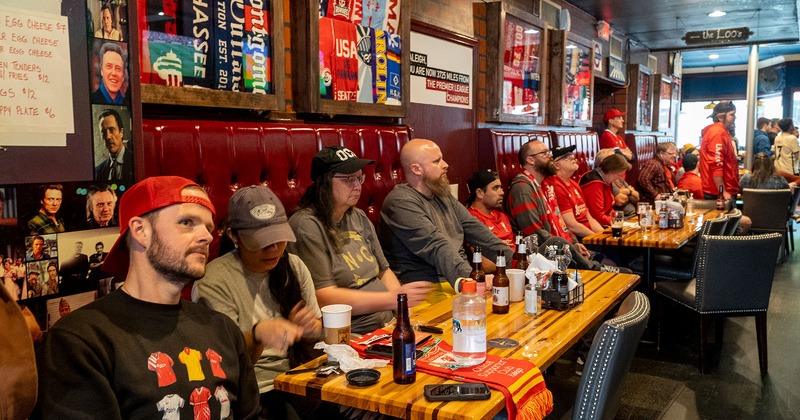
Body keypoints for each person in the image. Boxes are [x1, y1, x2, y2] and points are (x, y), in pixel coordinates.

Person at [35, 176, 259, 418]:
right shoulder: (80, 339)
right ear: (141, 231)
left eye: (208, 227)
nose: (207, 236)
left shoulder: (222, 329)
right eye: (187, 222)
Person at [194, 185, 333, 419]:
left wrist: (310, 329)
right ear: (233, 236)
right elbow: (225, 367)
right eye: (262, 241)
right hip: (255, 390)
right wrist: (258, 335)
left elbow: (314, 340)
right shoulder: (214, 281)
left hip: (299, 377)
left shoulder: (294, 266)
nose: (274, 248)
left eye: (279, 238)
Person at [290, 146, 430, 335]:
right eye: (348, 179)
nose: (358, 185)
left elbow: (384, 271)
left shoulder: (358, 217)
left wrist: (404, 313)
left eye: (359, 178)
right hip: (350, 334)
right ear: (324, 182)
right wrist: (393, 299)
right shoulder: (306, 225)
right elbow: (324, 296)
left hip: (387, 324)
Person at [378, 139, 513, 304]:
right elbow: (436, 246)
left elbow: (479, 233)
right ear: (416, 169)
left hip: (457, 281)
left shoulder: (442, 195)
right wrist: (471, 279)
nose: (446, 164)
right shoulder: (401, 201)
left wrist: (517, 262)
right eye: (436, 161)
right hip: (424, 289)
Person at [506, 140, 625, 272]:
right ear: (530, 160)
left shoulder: (545, 185)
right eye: (544, 153)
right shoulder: (522, 188)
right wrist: (571, 247)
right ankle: (596, 268)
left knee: (621, 263)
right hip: (545, 258)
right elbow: (535, 233)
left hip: (562, 248)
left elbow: (561, 223)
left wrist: (573, 242)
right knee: (623, 271)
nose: (550, 156)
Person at [545, 145, 603, 239]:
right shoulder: (556, 186)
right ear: (556, 165)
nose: (572, 157)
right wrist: (596, 239)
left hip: (589, 234)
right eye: (565, 157)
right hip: (578, 237)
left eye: (571, 154)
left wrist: (603, 236)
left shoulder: (573, 183)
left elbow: (588, 218)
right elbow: (572, 225)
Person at [464, 169, 515, 250]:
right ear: (480, 193)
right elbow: (482, 260)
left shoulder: (502, 216)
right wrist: (499, 248)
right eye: (495, 188)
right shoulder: (471, 220)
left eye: (500, 187)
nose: (502, 192)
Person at [699, 101, 740, 202]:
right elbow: (716, 165)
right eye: (732, 115)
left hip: (721, 191)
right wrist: (722, 192)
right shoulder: (717, 133)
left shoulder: (721, 131)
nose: (735, 118)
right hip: (718, 193)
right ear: (720, 117)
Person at [580, 151, 632, 226]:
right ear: (611, 170)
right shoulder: (595, 184)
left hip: (605, 222)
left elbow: (609, 210)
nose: (618, 178)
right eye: (618, 175)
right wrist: (620, 222)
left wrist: (620, 220)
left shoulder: (605, 179)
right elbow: (598, 216)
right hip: (595, 226)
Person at [94, 109, 135, 186]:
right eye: (103, 132)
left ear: (121, 132)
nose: (108, 136)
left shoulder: (136, 163)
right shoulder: (98, 172)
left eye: (111, 130)